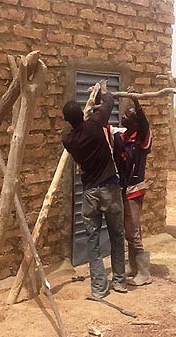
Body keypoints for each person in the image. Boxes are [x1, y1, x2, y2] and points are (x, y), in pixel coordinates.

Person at [62, 88, 127, 299]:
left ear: (66, 120)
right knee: (117, 235)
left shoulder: (69, 141)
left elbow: (77, 130)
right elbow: (108, 102)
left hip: (90, 194)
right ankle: (119, 282)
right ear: (83, 113)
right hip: (110, 188)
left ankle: (99, 289)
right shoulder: (94, 125)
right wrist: (102, 92)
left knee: (92, 240)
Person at [113, 92, 153, 286]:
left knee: (133, 232)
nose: (123, 117)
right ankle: (133, 266)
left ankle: (145, 273)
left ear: (135, 123)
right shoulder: (123, 136)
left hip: (135, 190)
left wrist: (136, 102)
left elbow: (144, 124)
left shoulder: (142, 140)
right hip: (123, 188)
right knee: (129, 229)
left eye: (127, 116)